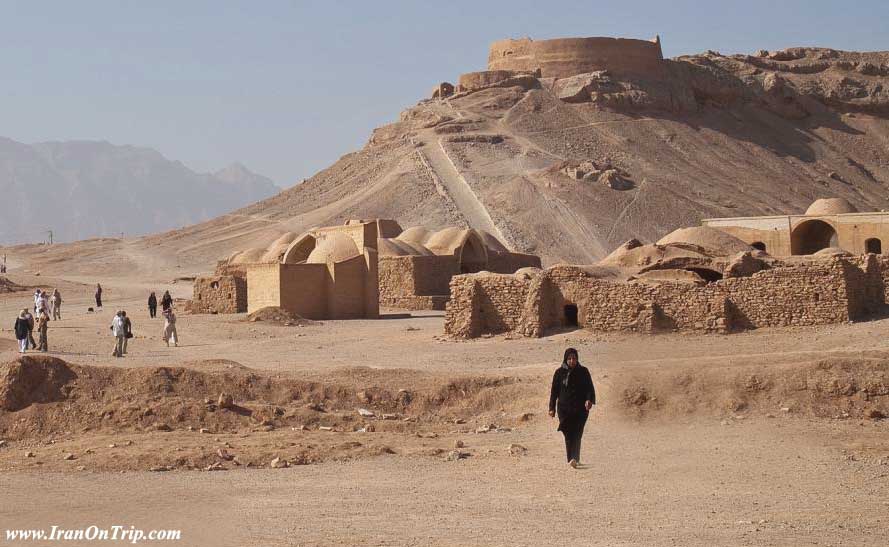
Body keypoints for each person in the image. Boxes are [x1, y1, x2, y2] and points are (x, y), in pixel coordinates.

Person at [549, 348, 596, 468]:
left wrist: (589, 399)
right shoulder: (559, 373)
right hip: (564, 409)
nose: (572, 361)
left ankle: (575, 459)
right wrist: (551, 408)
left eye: (574, 358)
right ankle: (571, 458)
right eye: (569, 358)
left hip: (580, 409)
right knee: (568, 433)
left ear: (577, 359)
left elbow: (589, 388)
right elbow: (554, 391)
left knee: (578, 433)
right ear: (565, 359)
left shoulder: (584, 371)